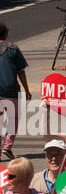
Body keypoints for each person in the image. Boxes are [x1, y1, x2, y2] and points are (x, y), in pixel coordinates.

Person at [0, 20, 31, 160]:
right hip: (12, 90)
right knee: (13, 119)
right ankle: (7, 147)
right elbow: (21, 71)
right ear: (5, 33)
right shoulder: (13, 48)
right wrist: (27, 89)